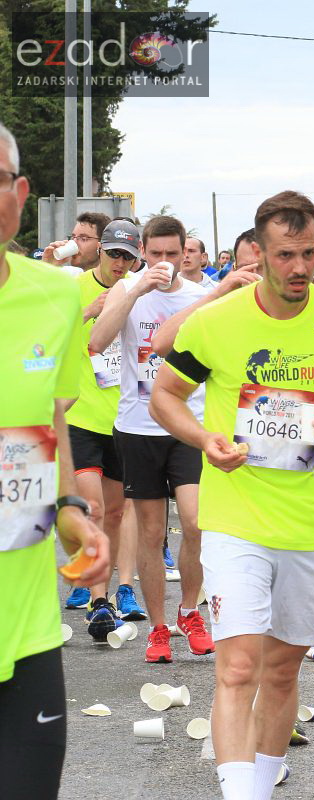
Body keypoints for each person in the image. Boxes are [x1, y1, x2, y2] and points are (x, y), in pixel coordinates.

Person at [151, 190, 314, 800]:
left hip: (309, 522)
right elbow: (166, 395)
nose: (300, 268)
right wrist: (206, 438)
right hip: (235, 516)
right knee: (236, 666)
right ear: (258, 252)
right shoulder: (218, 321)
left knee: (282, 669)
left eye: (309, 253)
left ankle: (263, 774)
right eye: (286, 254)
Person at [0, 124, 111, 797]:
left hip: (29, 621)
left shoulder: (55, 295)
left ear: (19, 193)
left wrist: (72, 511)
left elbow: (53, 419)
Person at [89, 215, 214, 662]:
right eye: (155, 253)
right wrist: (137, 289)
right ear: (143, 250)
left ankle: (189, 611)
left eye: (171, 254)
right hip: (137, 428)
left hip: (186, 425)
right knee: (150, 531)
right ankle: (158, 628)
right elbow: (96, 341)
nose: (163, 262)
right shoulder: (126, 290)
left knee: (197, 523)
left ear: (186, 253)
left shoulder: (203, 296)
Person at [64, 220, 146, 627]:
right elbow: (44, 337)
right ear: (100, 251)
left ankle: (124, 586)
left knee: (119, 510)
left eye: (128, 257)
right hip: (81, 414)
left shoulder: (138, 291)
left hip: (124, 416)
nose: (120, 263)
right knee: (93, 508)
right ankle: (99, 598)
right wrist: (87, 312)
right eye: (114, 254)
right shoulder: (73, 288)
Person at [42, 210, 111, 275]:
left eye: (83, 238)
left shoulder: (116, 282)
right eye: (73, 237)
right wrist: (48, 268)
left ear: (102, 245)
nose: (74, 243)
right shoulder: (67, 276)